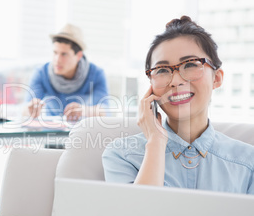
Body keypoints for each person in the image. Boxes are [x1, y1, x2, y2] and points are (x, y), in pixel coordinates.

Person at [103, 16, 254, 194]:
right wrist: (156, 142)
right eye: (162, 70)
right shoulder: (122, 155)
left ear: (217, 78)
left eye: (190, 64)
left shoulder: (248, 162)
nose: (175, 81)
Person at [26, 24, 109, 121]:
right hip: (51, 131)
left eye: (64, 54)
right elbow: (25, 109)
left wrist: (83, 110)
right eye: (55, 53)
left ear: (78, 56)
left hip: (81, 130)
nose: (57, 60)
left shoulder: (96, 74)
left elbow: (105, 111)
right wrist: (30, 109)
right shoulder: (41, 73)